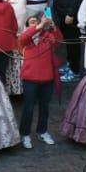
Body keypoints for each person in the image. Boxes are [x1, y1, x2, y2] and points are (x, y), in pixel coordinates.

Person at [18, 13, 60, 149]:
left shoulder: (48, 37)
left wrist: (54, 28)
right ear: (27, 25)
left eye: (37, 21)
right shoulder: (26, 38)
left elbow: (59, 41)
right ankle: (25, 134)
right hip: (30, 79)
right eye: (31, 22)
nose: (35, 24)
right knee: (28, 108)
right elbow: (23, 39)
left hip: (47, 79)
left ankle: (42, 131)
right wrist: (37, 27)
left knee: (44, 108)